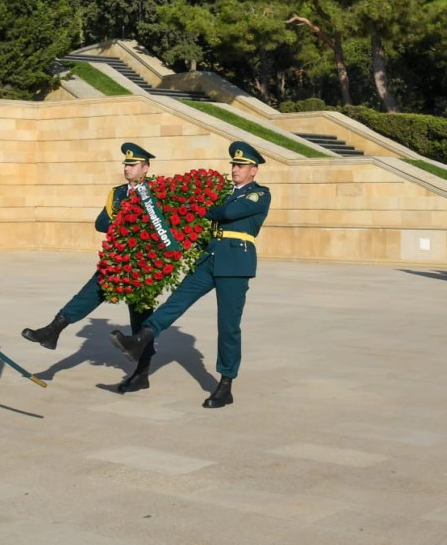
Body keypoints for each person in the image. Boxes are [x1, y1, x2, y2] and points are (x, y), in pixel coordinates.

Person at [111, 141, 271, 409]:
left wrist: (203, 208)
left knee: (228, 325)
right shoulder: (225, 192)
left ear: (253, 171)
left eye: (241, 166)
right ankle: (140, 339)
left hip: (236, 262)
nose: (235, 169)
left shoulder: (259, 195)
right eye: (233, 165)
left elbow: (230, 212)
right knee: (177, 301)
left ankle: (226, 382)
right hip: (211, 257)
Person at [21, 142, 158, 392]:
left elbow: (158, 227)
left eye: (133, 164)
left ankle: (142, 373)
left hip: (142, 262)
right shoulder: (117, 193)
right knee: (89, 293)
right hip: (116, 258)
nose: (127, 168)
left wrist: (127, 222)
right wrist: (127, 220)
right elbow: (101, 222)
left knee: (141, 316)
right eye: (126, 164)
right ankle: (52, 331)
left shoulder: (156, 192)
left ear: (145, 168)